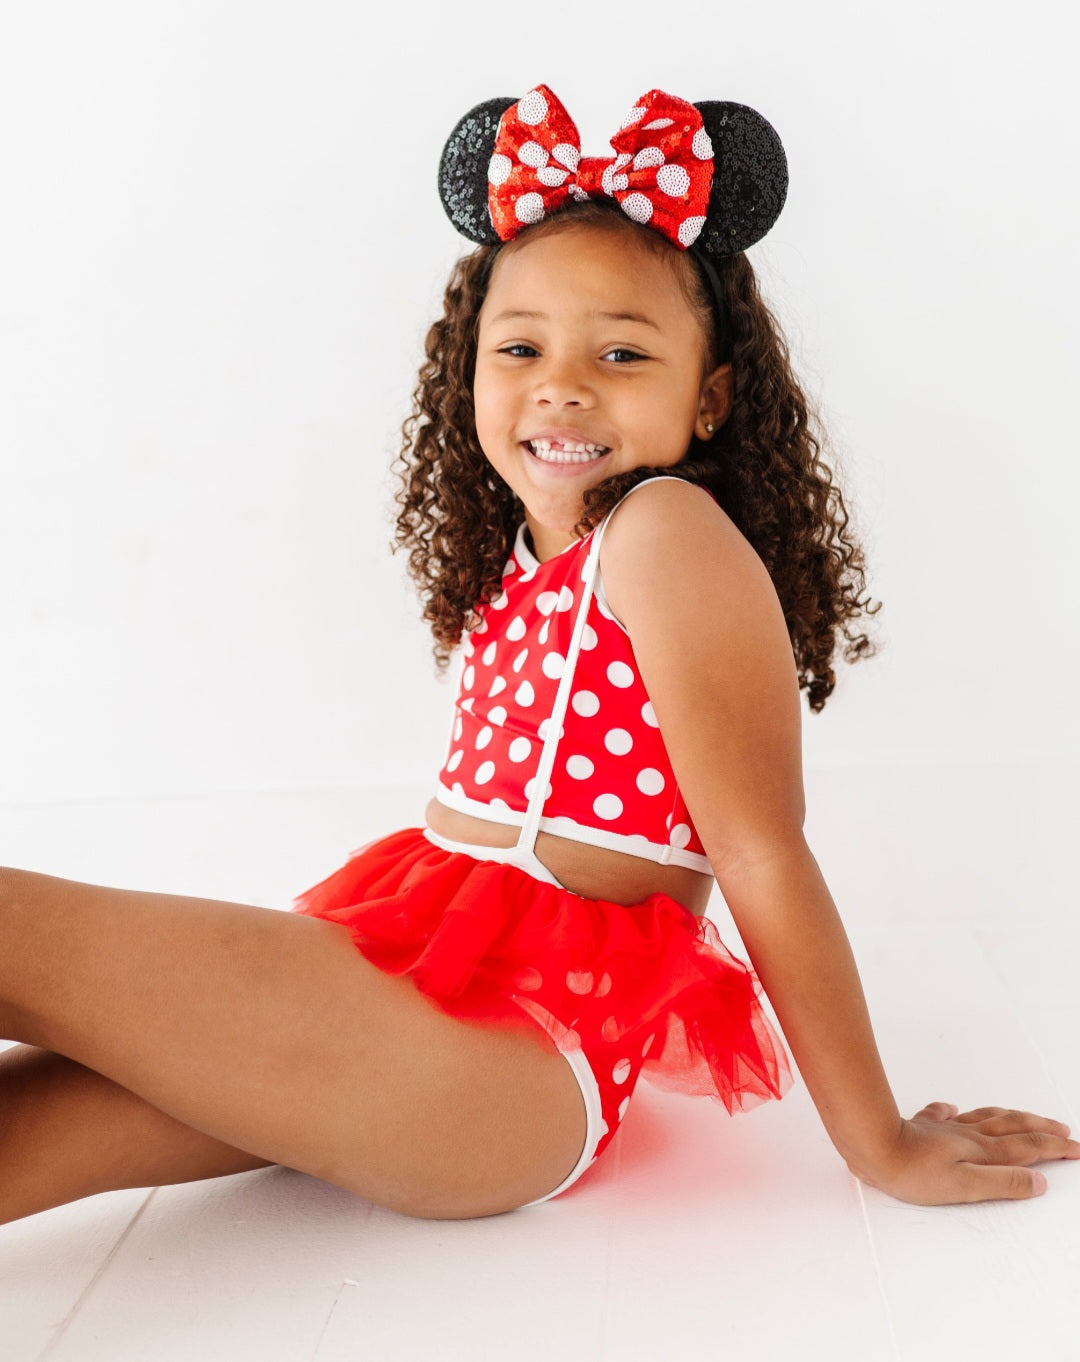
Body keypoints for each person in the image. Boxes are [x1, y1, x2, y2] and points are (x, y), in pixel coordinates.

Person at [2, 85, 1077, 1229]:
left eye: (622, 352)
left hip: (512, 1056)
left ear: (710, 399)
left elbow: (763, 855)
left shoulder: (663, 532)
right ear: (467, 368)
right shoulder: (522, 558)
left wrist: (883, 1139)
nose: (563, 383)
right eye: (520, 347)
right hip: (412, 989)